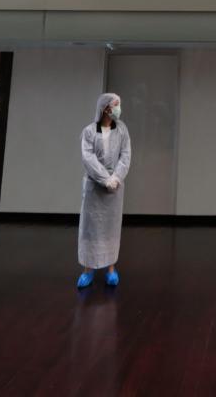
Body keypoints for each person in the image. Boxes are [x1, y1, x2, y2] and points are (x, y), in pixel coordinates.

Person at [77, 92, 131, 289]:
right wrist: (104, 178)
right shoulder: (90, 131)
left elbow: (125, 156)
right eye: (115, 105)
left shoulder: (122, 130)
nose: (118, 108)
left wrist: (115, 178)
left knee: (111, 228)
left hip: (114, 189)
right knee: (91, 229)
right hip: (94, 186)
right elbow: (88, 158)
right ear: (105, 108)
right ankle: (87, 270)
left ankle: (110, 269)